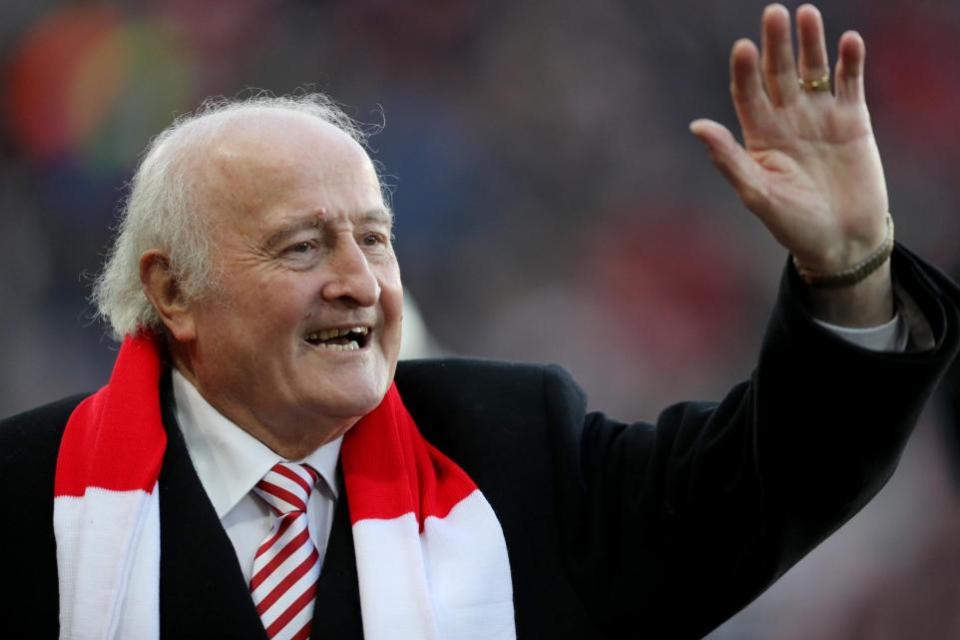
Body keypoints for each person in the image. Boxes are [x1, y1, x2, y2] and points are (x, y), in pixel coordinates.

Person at [1, 4, 958, 639]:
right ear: (171, 291)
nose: (358, 282)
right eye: (302, 247)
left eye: (374, 241)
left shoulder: (513, 454)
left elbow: (775, 479)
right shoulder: (23, 495)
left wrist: (848, 268)